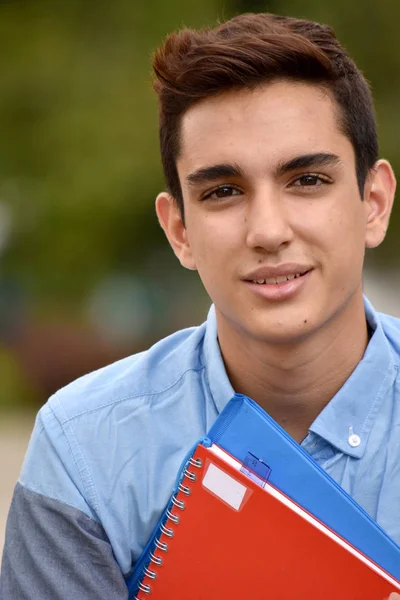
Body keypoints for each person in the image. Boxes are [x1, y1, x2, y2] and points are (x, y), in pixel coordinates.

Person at [1, 11, 400, 600]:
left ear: (372, 203)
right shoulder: (85, 448)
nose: (267, 230)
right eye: (223, 192)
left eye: (307, 180)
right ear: (179, 230)